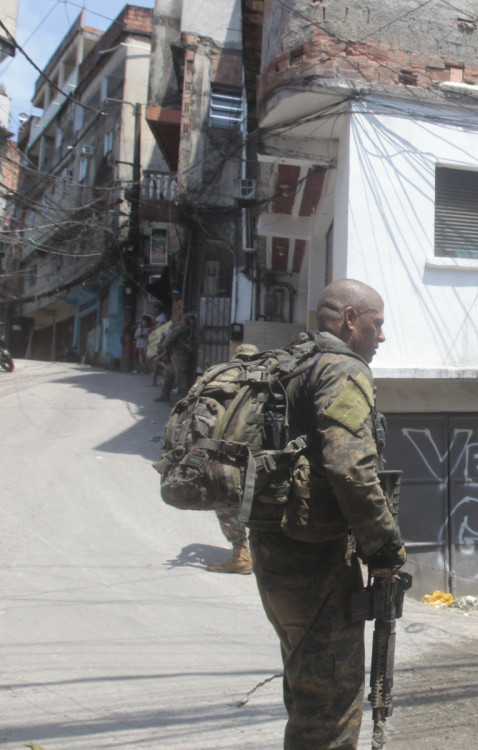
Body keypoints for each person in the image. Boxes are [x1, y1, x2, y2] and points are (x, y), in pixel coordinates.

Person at [246, 279, 405, 749]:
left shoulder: (294, 362)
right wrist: (384, 548)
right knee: (331, 704)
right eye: (376, 325)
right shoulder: (340, 369)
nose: (381, 337)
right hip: (312, 562)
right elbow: (349, 465)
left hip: (274, 550)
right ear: (351, 319)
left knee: (307, 687)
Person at [205, 343, 261, 576]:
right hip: (259, 458)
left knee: (226, 504)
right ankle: (256, 553)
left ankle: (241, 553)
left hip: (230, 456)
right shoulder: (264, 380)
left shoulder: (226, 379)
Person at [155, 314, 195, 403]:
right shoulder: (189, 330)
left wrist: (163, 346)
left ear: (183, 320)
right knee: (169, 374)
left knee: (180, 377)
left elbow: (170, 338)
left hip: (179, 355)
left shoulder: (181, 328)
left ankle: (181, 400)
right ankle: (165, 395)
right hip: (179, 355)